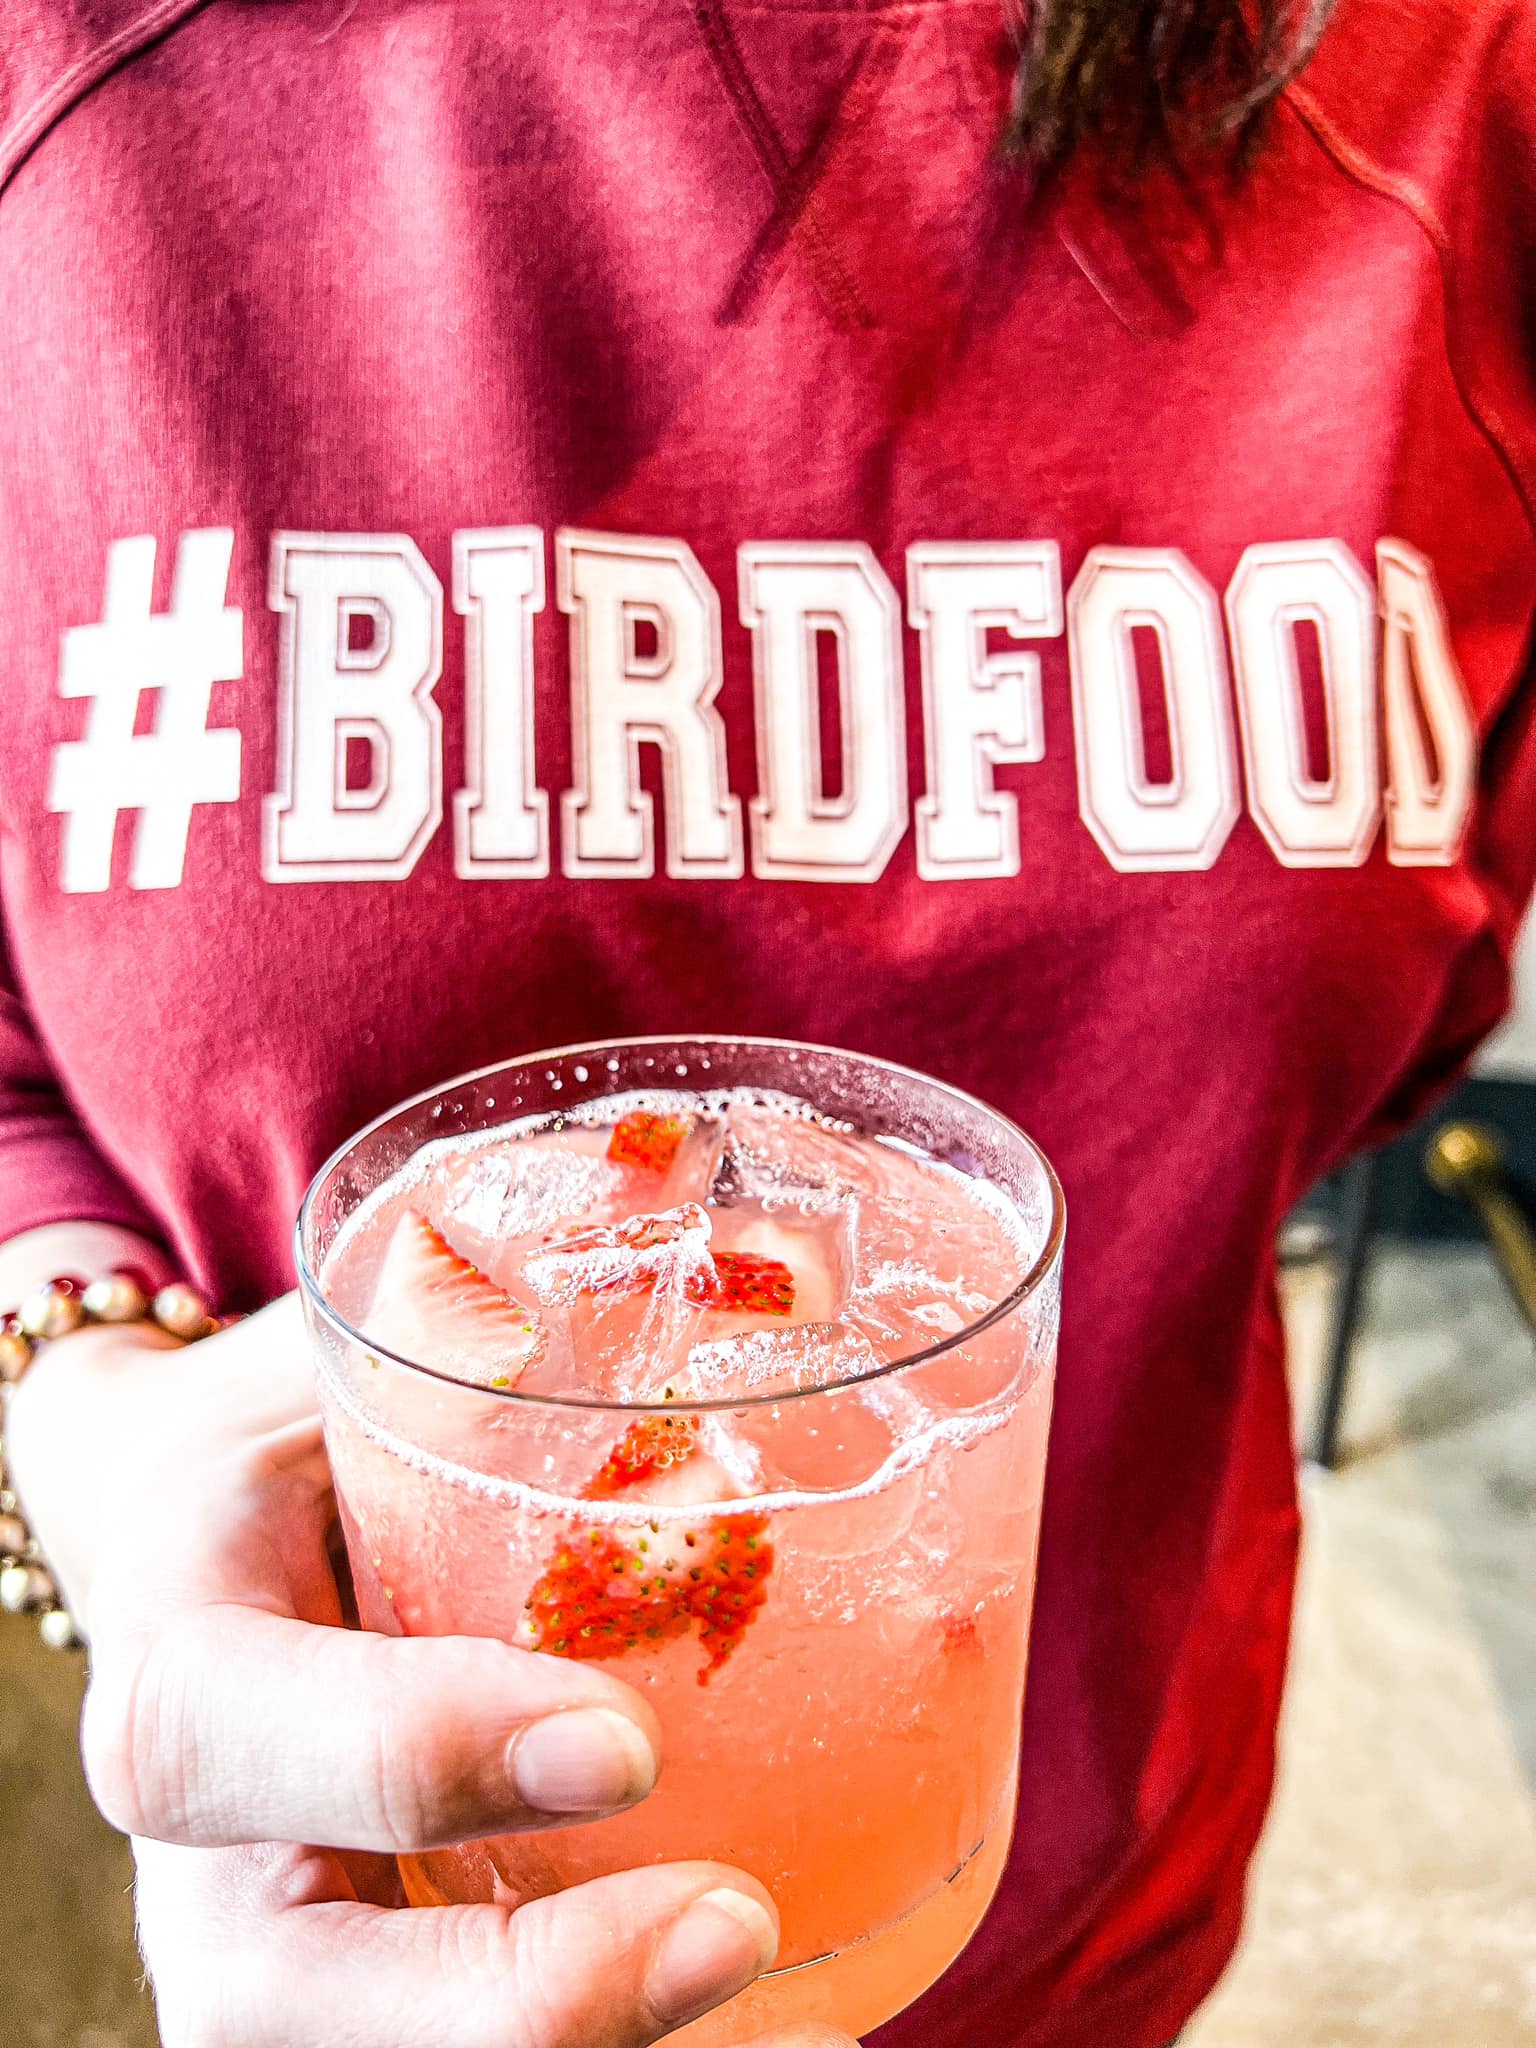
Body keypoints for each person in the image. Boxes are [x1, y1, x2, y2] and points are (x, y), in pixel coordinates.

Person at [0, 1, 1532, 2045]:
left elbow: (1419, 1000)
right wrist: (92, 1427)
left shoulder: (1460, 86)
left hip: (1085, 1894)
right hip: (400, 1917)